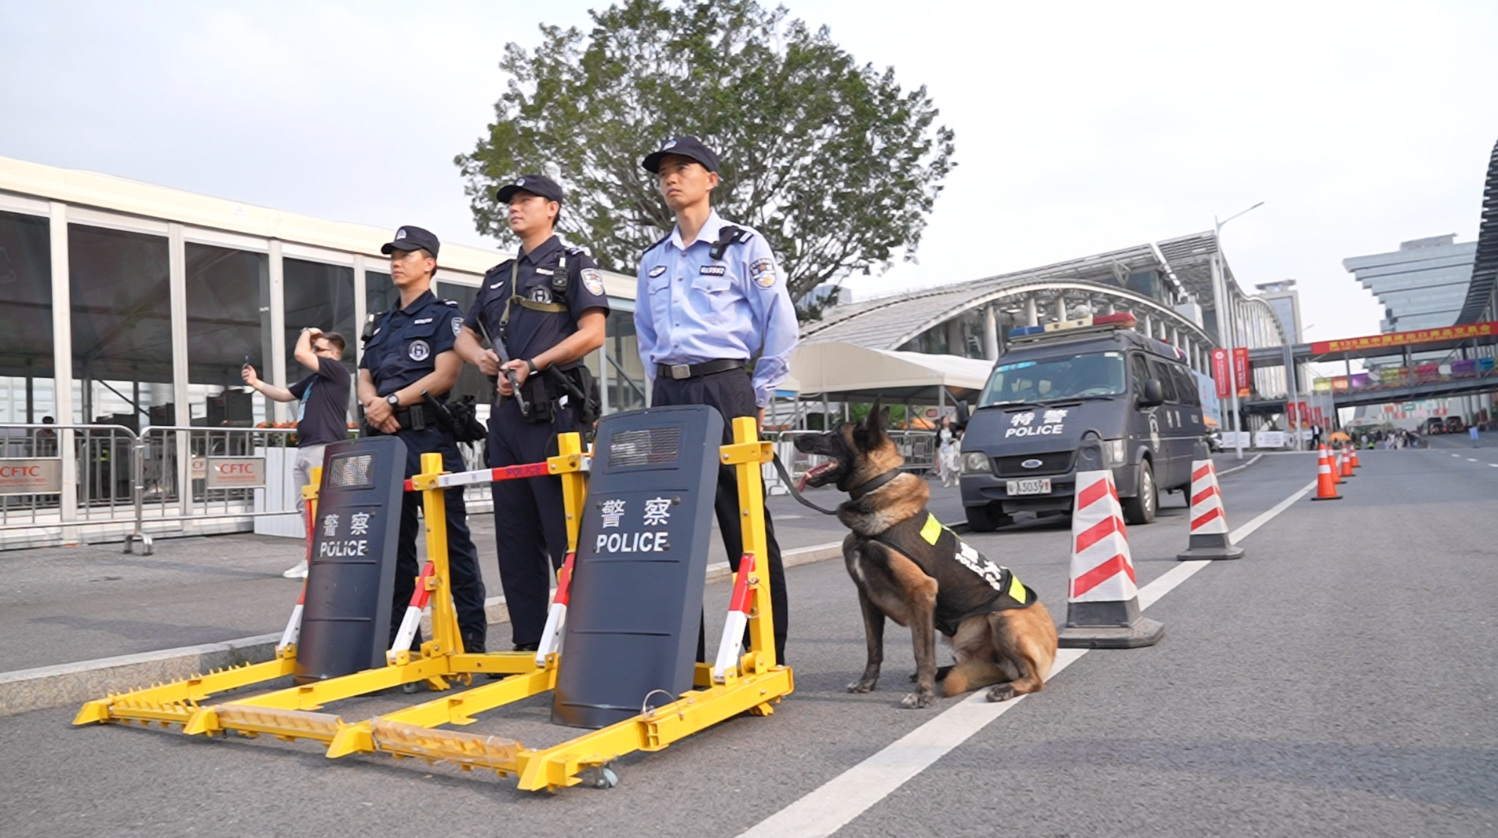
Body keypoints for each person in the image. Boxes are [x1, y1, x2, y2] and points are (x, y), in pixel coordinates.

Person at [634, 135, 798, 664]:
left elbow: (780, 323)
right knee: (672, 525)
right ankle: (685, 655)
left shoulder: (743, 244)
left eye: (683, 168)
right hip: (669, 393)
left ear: (711, 179)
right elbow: (646, 335)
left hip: (724, 386)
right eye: (663, 172)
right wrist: (659, 391)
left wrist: (761, 390)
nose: (671, 178)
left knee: (743, 519)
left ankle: (764, 650)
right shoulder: (653, 260)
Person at [454, 174, 608, 654]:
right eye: (511, 202)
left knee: (564, 528)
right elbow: (463, 334)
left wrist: (534, 363)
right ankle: (529, 642)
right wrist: (482, 359)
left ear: (552, 208)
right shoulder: (498, 275)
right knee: (514, 533)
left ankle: (582, 638)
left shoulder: (573, 265)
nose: (515, 208)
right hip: (506, 417)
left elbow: (593, 332)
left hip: (554, 411)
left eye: (526, 200)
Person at [358, 225, 488, 656]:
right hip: (386, 439)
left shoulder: (446, 315)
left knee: (451, 541)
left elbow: (445, 375)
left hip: (429, 439)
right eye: (393, 256)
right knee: (393, 547)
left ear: (429, 263)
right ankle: (402, 641)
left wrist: (391, 401)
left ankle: (471, 637)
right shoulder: (381, 323)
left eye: (407, 255)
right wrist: (374, 405)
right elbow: (364, 375)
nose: (396, 263)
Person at [242, 328, 352, 578]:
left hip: (324, 446)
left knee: (323, 506)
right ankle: (311, 556)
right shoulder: (315, 380)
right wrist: (256, 383)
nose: (314, 352)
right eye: (314, 348)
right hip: (307, 447)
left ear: (334, 354)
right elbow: (284, 395)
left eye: (319, 349)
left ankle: (324, 558)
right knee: (306, 507)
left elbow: (300, 354)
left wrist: (307, 332)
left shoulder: (337, 371)